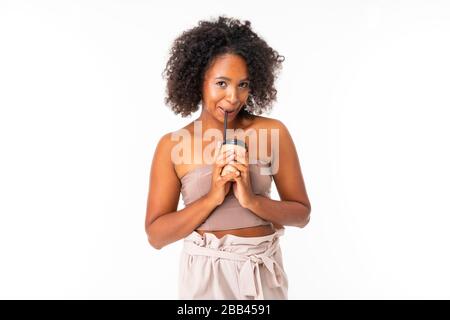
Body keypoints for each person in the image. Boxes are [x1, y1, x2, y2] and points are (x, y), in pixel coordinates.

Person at [145, 16, 311, 300]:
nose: (233, 97)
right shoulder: (172, 145)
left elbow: (302, 214)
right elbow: (157, 236)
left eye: (243, 84)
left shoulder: (272, 132)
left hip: (261, 274)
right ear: (198, 80)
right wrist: (213, 197)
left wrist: (252, 200)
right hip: (205, 276)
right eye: (221, 83)